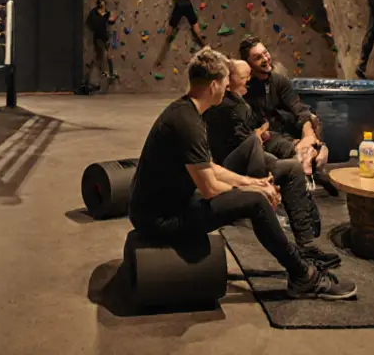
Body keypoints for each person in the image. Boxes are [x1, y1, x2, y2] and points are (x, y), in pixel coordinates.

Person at [128, 48, 356, 300]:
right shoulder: (187, 123)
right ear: (214, 84)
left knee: (255, 193)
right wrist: (256, 190)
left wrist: (251, 181)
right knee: (255, 203)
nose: (227, 87)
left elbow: (209, 167)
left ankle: (302, 259)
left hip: (168, 206)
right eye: (225, 81)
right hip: (160, 220)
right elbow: (210, 189)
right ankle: (303, 277)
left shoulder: (186, 111)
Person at [203, 59, 339, 269]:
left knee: (291, 167)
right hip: (229, 168)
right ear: (228, 81)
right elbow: (248, 143)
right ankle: (272, 183)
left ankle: (307, 246)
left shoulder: (241, 101)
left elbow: (260, 131)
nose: (250, 80)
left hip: (248, 157)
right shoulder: (227, 105)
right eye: (245, 76)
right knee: (264, 151)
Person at [239, 35, 338, 196]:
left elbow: (299, 109)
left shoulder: (278, 81)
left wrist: (308, 136)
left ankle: (309, 162)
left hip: (286, 130)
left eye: (265, 53)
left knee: (312, 122)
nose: (265, 59)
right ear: (248, 63)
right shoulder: (245, 88)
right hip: (266, 136)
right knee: (284, 142)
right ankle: (311, 167)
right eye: (258, 57)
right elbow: (257, 126)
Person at [154, 0, 205, 64]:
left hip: (180, 4)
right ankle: (202, 42)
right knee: (194, 24)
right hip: (187, 3)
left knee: (172, 24)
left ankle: (168, 38)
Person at [85, 0, 117, 88]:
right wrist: (93, 29)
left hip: (105, 37)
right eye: (102, 4)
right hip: (98, 37)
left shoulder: (106, 14)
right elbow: (88, 22)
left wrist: (112, 18)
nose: (103, 5)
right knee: (102, 56)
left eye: (104, 4)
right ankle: (95, 76)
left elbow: (110, 21)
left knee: (108, 56)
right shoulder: (94, 12)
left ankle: (111, 75)